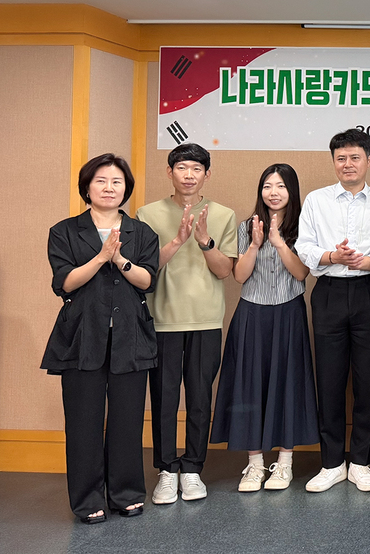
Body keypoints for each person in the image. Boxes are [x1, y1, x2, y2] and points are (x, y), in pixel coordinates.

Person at [43, 154, 159, 523]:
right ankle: (87, 499)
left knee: (127, 420)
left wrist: (120, 259)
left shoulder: (142, 233)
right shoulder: (64, 231)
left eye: (117, 182)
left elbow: (148, 281)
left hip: (130, 337)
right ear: (87, 187)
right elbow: (65, 283)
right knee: (83, 422)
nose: (109, 188)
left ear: (126, 189)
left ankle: (126, 494)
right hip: (81, 336)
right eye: (101, 181)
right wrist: (101, 257)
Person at [295, 128, 370, 493]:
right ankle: (331, 462)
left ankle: (362, 461)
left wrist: (369, 261)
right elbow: (304, 246)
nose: (348, 164)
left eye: (355, 157)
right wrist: (331, 256)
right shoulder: (316, 200)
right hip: (329, 293)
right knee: (330, 379)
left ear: (368, 160)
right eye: (341, 158)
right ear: (333, 162)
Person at [137, 143, 238, 504]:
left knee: (199, 398)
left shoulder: (223, 214)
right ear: (170, 172)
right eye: (182, 168)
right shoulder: (147, 214)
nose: (189, 175)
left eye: (196, 169)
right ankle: (167, 470)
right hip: (162, 319)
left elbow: (225, 271)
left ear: (207, 174)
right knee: (163, 398)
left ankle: (193, 468)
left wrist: (205, 242)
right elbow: (144, 269)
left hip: (205, 319)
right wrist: (178, 241)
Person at [210, 163, 319, 492]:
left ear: (292, 191)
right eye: (268, 186)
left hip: (289, 313)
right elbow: (239, 276)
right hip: (252, 314)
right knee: (249, 385)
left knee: (288, 384)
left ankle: (285, 464)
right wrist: (256, 245)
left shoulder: (304, 226)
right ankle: (255, 464)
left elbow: (301, 273)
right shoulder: (247, 227)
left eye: (281, 186)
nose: (274, 192)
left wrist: (279, 243)